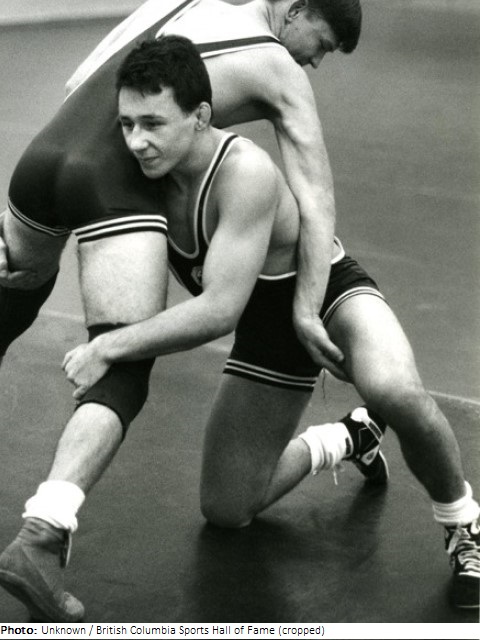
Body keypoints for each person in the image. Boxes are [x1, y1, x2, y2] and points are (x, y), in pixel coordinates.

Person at [51, 37, 477, 616]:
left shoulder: (243, 172)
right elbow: (60, 186)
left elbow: (218, 311)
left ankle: (463, 523)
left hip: (325, 294)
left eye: (153, 124)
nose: (136, 141)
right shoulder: (140, 168)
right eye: (127, 124)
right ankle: (350, 437)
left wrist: (109, 346)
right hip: (266, 330)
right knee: (227, 509)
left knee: (394, 391)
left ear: (201, 116)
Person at [0, 0, 364, 621]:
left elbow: (79, 82)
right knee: (122, 364)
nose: (315, 60)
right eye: (322, 43)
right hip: (111, 178)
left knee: (14, 291)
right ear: (296, 9)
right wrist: (307, 305)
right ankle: (42, 535)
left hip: (43, 156)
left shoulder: (184, 3)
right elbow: (314, 191)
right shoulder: (277, 63)